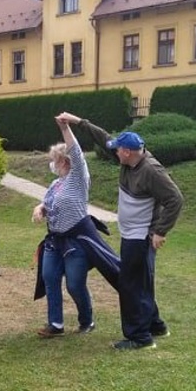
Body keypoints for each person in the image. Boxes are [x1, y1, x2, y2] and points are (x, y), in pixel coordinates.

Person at [61, 113, 184, 351]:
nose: (114, 151)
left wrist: (160, 231)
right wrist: (76, 122)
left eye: (118, 150)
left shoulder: (151, 171)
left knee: (130, 284)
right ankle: (155, 325)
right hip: (131, 235)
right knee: (141, 282)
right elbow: (103, 138)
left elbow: (175, 199)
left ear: (127, 152)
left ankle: (140, 337)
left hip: (141, 237)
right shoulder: (129, 159)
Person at [32, 116, 122, 337]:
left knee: (74, 284)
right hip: (55, 240)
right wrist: (40, 208)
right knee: (49, 276)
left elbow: (77, 152)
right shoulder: (56, 183)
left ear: (64, 161)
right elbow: (48, 202)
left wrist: (65, 128)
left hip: (77, 241)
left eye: (55, 160)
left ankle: (86, 320)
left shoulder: (78, 177)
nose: (52, 164)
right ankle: (55, 324)